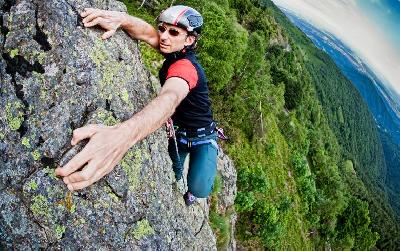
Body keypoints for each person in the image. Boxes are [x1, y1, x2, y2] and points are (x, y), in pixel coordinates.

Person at [55, 5, 218, 206]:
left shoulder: (186, 67)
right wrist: (121, 18)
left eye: (173, 32)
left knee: (199, 188)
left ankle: (194, 190)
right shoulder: (173, 48)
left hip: (202, 136)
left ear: (190, 40)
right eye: (163, 28)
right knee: (174, 170)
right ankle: (178, 181)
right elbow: (147, 33)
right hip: (178, 132)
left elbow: (171, 97)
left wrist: (122, 136)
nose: (164, 36)